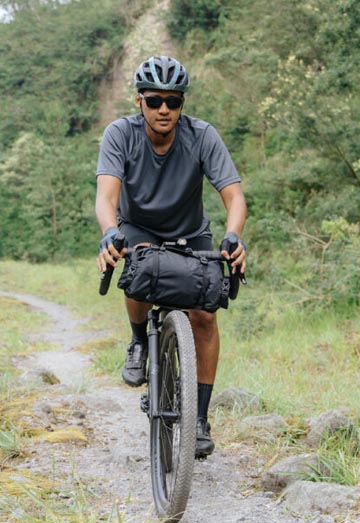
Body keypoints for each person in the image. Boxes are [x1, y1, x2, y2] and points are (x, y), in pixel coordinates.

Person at [95, 55, 247, 458]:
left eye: (174, 101)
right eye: (155, 100)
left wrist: (234, 237)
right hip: (139, 227)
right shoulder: (119, 135)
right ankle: (138, 342)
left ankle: (198, 418)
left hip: (191, 231)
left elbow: (234, 196)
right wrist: (111, 232)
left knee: (205, 315)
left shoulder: (202, 136)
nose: (165, 109)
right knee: (137, 268)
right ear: (138, 101)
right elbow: (106, 197)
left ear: (182, 104)